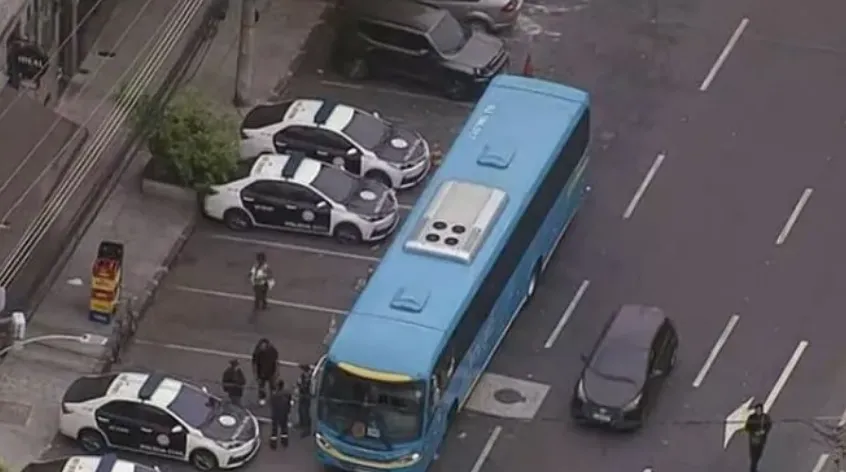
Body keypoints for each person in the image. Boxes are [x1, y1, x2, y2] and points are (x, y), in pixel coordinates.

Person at [744, 402, 772, 472]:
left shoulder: (765, 417)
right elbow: (747, 427)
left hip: (761, 440)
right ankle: (753, 469)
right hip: (753, 440)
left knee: (758, 455)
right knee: (753, 456)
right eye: (757, 409)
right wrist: (754, 432)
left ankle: (754, 467)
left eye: (759, 409)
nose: (758, 411)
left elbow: (769, 426)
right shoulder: (751, 417)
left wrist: (764, 431)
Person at [251, 338, 278, 405]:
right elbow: (254, 364)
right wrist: (255, 374)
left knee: (273, 386)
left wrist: (277, 372)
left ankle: (274, 398)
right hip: (261, 373)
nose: (262, 347)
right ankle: (262, 398)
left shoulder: (273, 351)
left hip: (271, 372)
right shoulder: (257, 352)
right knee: (261, 387)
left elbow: (276, 362)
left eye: (263, 345)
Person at [269, 380, 293, 449]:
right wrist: (288, 411)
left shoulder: (274, 395)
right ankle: (284, 442)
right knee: (284, 428)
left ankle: (273, 445)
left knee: (274, 429)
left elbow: (271, 404)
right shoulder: (287, 394)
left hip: (276, 414)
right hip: (284, 413)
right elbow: (289, 404)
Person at [296, 363, 313, 437]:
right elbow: (298, 383)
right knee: (300, 410)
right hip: (302, 395)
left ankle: (307, 429)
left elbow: (311, 390)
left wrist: (301, 385)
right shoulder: (302, 376)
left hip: (307, 397)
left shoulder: (311, 379)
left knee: (305, 412)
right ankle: (301, 423)